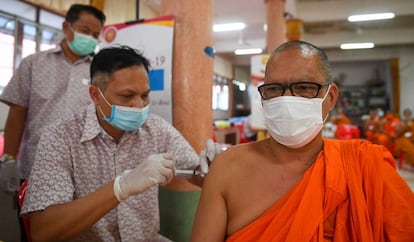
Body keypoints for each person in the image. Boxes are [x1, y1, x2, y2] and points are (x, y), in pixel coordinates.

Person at [191, 40, 414, 241]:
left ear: (331, 97)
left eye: (304, 87)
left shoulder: (364, 166)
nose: (287, 99)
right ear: (263, 97)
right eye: (274, 89)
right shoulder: (227, 169)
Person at [20, 45, 217, 241]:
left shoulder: (155, 129)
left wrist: (214, 167)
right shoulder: (60, 137)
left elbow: (196, 173)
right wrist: (119, 188)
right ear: (96, 95)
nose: (139, 105)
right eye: (127, 96)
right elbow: (43, 231)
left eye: (145, 95)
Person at [0, 4, 105, 241]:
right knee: (34, 233)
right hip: (35, 168)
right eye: (85, 30)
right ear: (67, 27)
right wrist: (8, 158)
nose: (90, 38)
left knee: (78, 232)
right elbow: (18, 113)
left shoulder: (100, 72)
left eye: (95, 34)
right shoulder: (34, 64)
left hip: (84, 171)